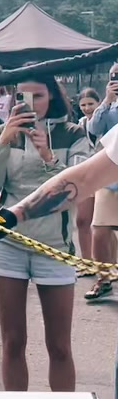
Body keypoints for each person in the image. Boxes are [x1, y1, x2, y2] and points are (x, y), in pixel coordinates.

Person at [0, 78, 91, 399]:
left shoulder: (72, 134)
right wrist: (3, 143)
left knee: (59, 345)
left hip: (54, 249)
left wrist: (47, 157)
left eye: (38, 95)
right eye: (22, 95)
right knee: (13, 341)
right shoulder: (0, 132)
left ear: (52, 96)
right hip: (9, 246)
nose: (30, 102)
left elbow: (78, 190)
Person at [84, 68, 118, 302]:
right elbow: (94, 129)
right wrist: (106, 100)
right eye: (114, 75)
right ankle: (103, 280)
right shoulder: (108, 107)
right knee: (99, 230)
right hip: (109, 177)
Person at [74, 87, 101, 272]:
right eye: (83, 105)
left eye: (91, 104)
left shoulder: (109, 120)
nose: (87, 108)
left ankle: (107, 263)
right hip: (86, 175)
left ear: (99, 103)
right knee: (82, 220)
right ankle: (86, 262)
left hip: (106, 175)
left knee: (104, 224)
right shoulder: (79, 125)